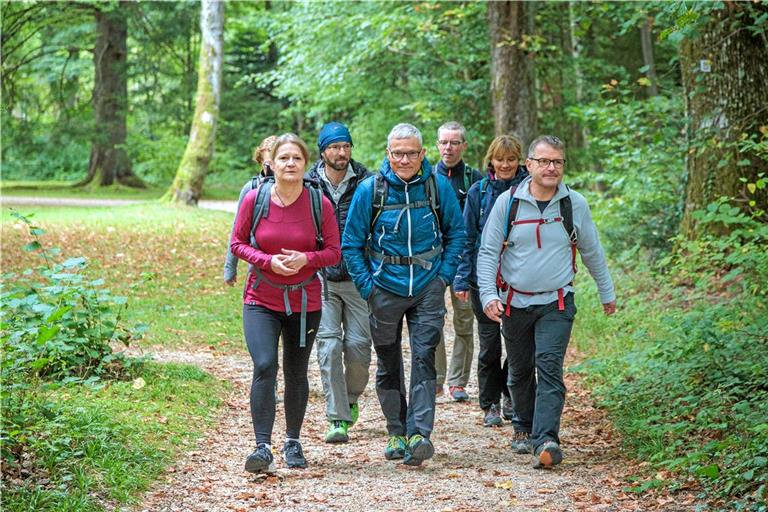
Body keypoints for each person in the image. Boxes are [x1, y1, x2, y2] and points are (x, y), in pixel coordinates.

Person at [477, 135, 616, 469]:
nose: (551, 168)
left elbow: (591, 250)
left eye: (557, 162)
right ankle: (522, 427)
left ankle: (546, 440)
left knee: (549, 367)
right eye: (544, 161)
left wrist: (606, 291)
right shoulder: (508, 203)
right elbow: (488, 252)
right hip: (514, 303)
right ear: (530, 165)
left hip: (557, 301)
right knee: (521, 370)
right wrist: (488, 294)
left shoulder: (574, 204)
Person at [341, 123, 466, 466]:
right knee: (388, 359)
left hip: (427, 285)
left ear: (423, 154)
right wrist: (368, 286)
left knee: (424, 355)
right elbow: (350, 244)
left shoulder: (437, 187)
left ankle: (419, 434)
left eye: (411, 153)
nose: (405, 159)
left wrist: (443, 277)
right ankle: (396, 429)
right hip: (384, 286)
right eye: (398, 153)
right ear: (388, 154)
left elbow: (457, 234)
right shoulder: (371, 190)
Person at [230, 133, 341, 473]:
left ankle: (293, 440)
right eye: (284, 158)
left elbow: (334, 253)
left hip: (305, 300)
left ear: (305, 164)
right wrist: (267, 262)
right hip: (261, 298)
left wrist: (306, 258)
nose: (290, 163)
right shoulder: (255, 198)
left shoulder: (318, 203)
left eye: (296, 158)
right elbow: (237, 243)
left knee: (295, 372)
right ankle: (262, 447)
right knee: (264, 366)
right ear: (271, 163)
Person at [453, 135, 529, 427]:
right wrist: (462, 278)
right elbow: (467, 237)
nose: (506, 165)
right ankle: (490, 403)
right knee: (489, 345)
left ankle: (511, 394)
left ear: (519, 160)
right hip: (482, 279)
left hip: (520, 279)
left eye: (511, 159)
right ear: (491, 161)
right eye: (500, 159)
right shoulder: (478, 191)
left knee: (518, 343)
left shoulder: (528, 189)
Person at [307, 122, 373, 444]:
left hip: (359, 278)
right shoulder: (307, 184)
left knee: (359, 349)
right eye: (334, 147)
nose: (341, 152)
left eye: (345, 146)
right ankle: (337, 417)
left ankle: (350, 399)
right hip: (321, 279)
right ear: (323, 151)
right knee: (330, 345)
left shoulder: (368, 181)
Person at [432, 121, 483, 402]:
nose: (448, 148)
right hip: (434, 260)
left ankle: (458, 381)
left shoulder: (473, 179)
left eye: (454, 143)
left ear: (463, 146)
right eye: (443, 142)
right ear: (437, 145)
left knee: (464, 321)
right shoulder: (426, 176)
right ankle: (437, 378)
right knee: (433, 319)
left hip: (463, 260)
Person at [224, 135, 278, 286]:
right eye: (268, 163)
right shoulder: (251, 189)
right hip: (258, 265)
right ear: (260, 162)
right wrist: (230, 267)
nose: (273, 168)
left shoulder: (298, 188)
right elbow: (238, 228)